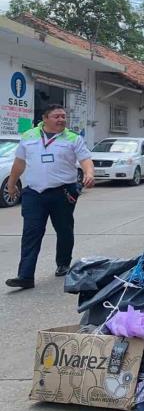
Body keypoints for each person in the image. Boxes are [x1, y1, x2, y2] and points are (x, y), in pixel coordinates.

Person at [5, 104, 95, 289]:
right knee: (31, 232)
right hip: (34, 192)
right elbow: (20, 162)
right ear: (45, 119)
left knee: (63, 229)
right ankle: (26, 276)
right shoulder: (28, 136)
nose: (61, 119)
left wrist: (89, 173)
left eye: (63, 116)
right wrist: (11, 183)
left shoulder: (73, 138)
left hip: (62, 191)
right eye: (56, 116)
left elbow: (85, 159)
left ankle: (63, 263)